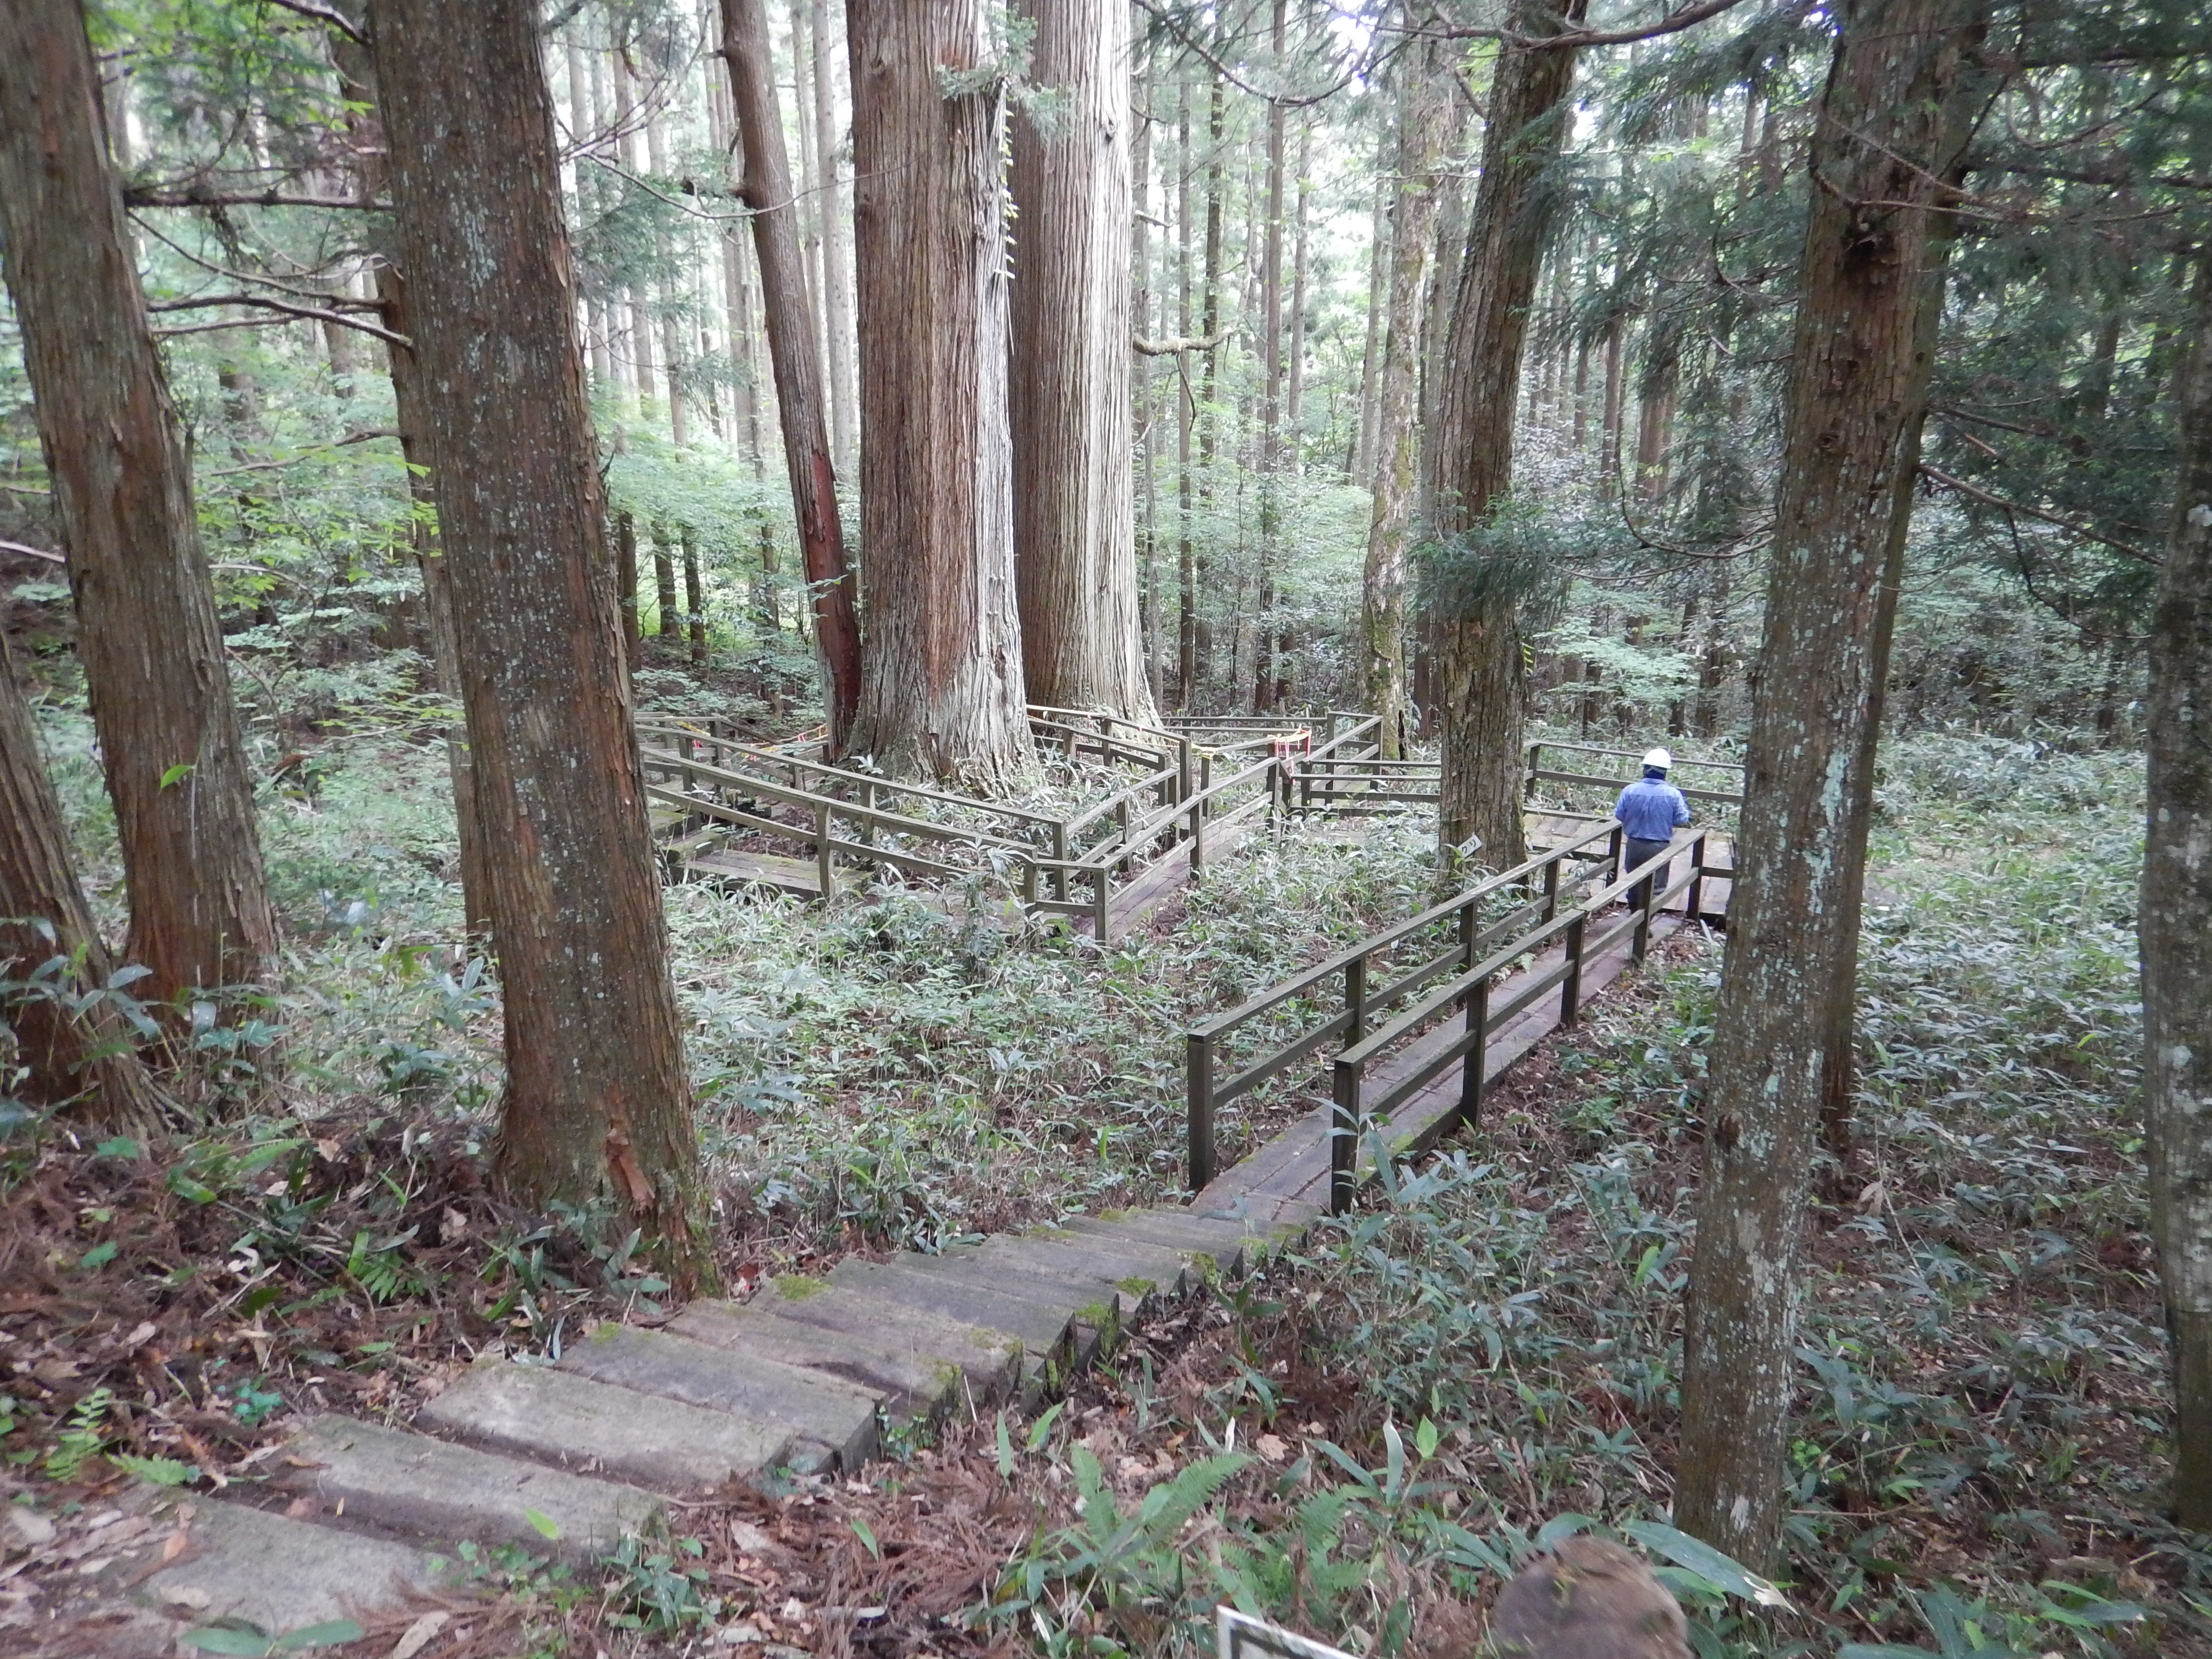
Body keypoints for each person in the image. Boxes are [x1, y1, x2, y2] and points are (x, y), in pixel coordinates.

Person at [1615, 747, 1691, 910]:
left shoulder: (1630, 790)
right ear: (1665, 772)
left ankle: (1635, 917)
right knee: (1657, 887)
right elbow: (1682, 819)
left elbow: (1620, 815)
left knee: (1634, 882)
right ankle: (1646, 922)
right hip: (1659, 846)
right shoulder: (1673, 794)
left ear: (1645, 769)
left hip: (1634, 844)